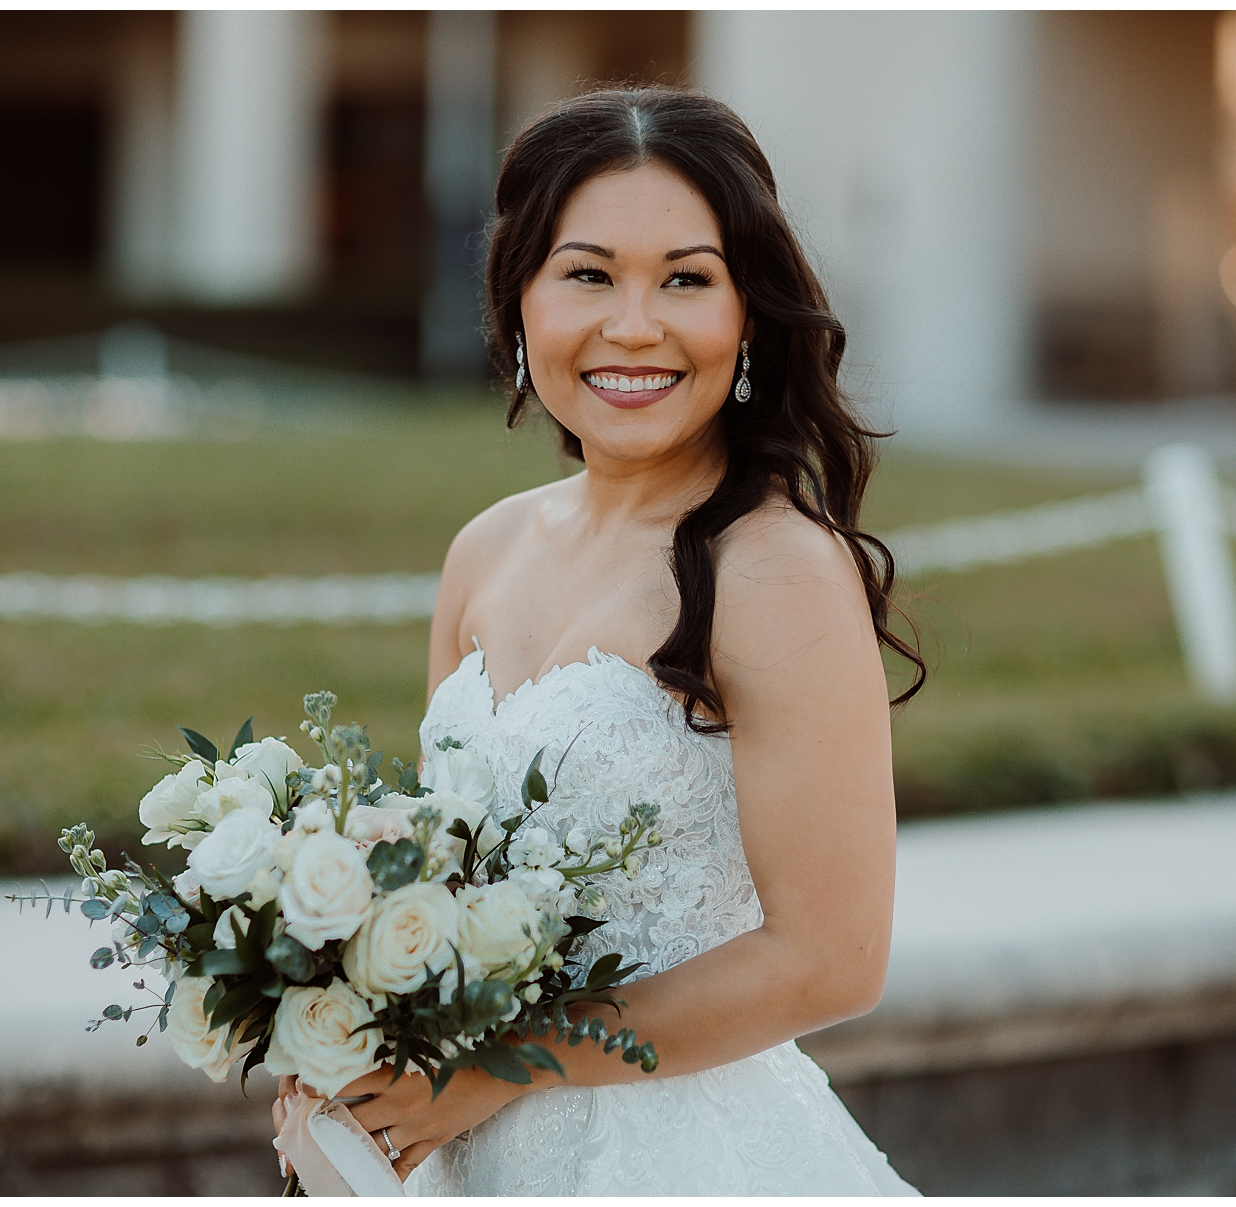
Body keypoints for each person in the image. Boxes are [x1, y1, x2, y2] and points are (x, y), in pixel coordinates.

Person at [279, 85, 926, 1195]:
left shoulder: (774, 570)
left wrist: (506, 1064)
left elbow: (832, 960)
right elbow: (444, 876)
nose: (635, 326)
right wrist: (342, 1029)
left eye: (686, 278)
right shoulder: (485, 550)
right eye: (588, 275)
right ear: (520, 301)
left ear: (748, 317)